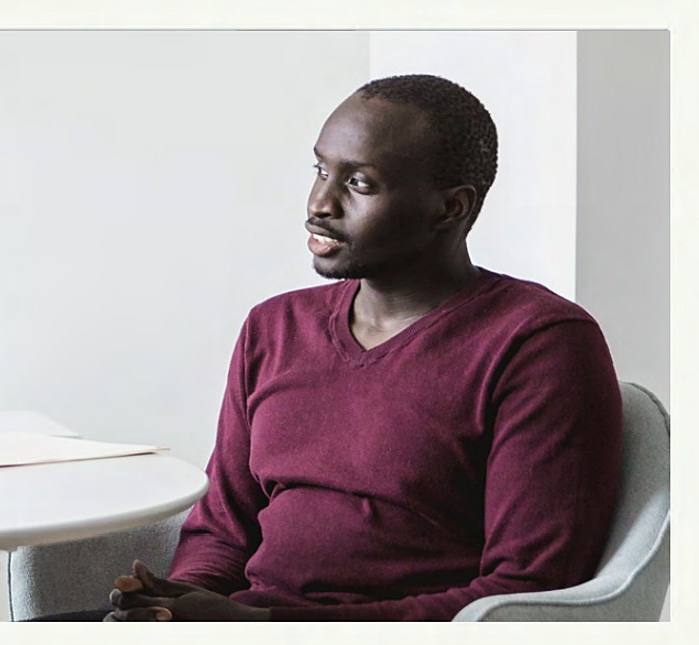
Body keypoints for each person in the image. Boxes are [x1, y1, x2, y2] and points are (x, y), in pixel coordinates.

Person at [38, 74, 623, 622]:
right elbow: (223, 527)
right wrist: (181, 603)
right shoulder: (275, 327)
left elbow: (528, 594)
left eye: (359, 183)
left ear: (450, 207)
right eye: (320, 170)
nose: (320, 203)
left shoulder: (538, 345)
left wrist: (264, 625)